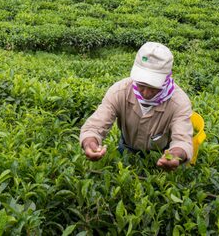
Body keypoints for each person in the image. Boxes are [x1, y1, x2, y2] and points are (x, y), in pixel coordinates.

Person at [79, 42, 193, 171]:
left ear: (167, 79)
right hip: (127, 146)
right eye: (141, 85)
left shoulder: (179, 102)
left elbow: (182, 140)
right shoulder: (119, 91)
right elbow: (95, 126)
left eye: (153, 87)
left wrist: (175, 155)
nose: (146, 93)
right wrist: (90, 143)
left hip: (161, 154)